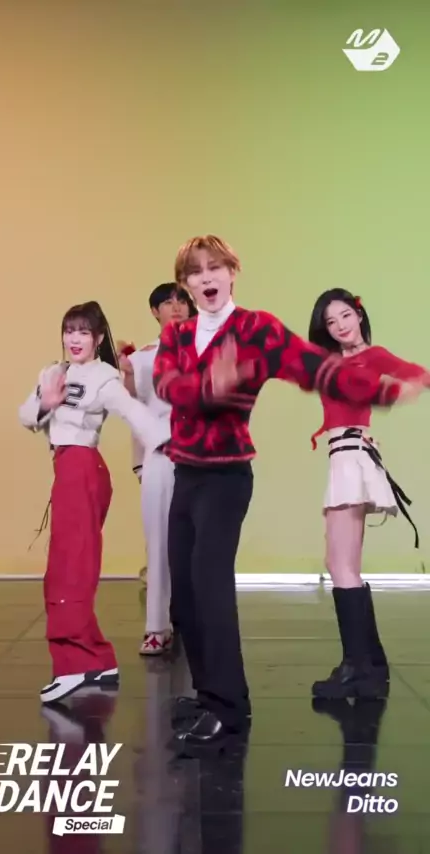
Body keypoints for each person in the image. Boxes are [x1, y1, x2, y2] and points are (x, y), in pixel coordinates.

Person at [152, 235, 425, 748]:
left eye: (215, 267)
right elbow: (168, 386)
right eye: (196, 272)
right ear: (185, 284)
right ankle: (208, 694)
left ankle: (229, 709)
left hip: (227, 476)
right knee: (184, 596)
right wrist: (211, 385)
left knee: (210, 587)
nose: (207, 278)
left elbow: (316, 368)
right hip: (186, 472)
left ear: (232, 272)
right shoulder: (177, 334)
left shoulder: (256, 329)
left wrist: (386, 390)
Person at [18, 300, 170, 704]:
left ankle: (74, 665)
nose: (75, 339)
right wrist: (47, 402)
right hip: (66, 469)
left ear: (98, 337)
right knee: (67, 567)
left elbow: (134, 412)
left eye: (84, 332)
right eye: (69, 330)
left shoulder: (104, 376)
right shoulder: (53, 372)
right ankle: (97, 659)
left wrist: (170, 443)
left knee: (71, 569)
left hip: (83, 469)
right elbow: (26, 415)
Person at [307, 288, 430, 700]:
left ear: (359, 315)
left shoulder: (372, 356)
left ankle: (357, 668)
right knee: (342, 564)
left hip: (351, 458)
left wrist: (401, 392)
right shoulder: (330, 362)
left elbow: (419, 375)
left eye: (346, 315)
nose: (340, 326)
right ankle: (370, 664)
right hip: (343, 455)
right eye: (331, 321)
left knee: (342, 566)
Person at [118, 284, 197, 656]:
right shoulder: (141, 358)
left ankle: (197, 622)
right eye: (167, 302)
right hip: (161, 453)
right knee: (159, 540)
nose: (176, 307)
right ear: (155, 311)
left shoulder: (207, 348)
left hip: (201, 452)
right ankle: (156, 627)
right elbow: (132, 408)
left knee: (200, 543)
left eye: (182, 301)